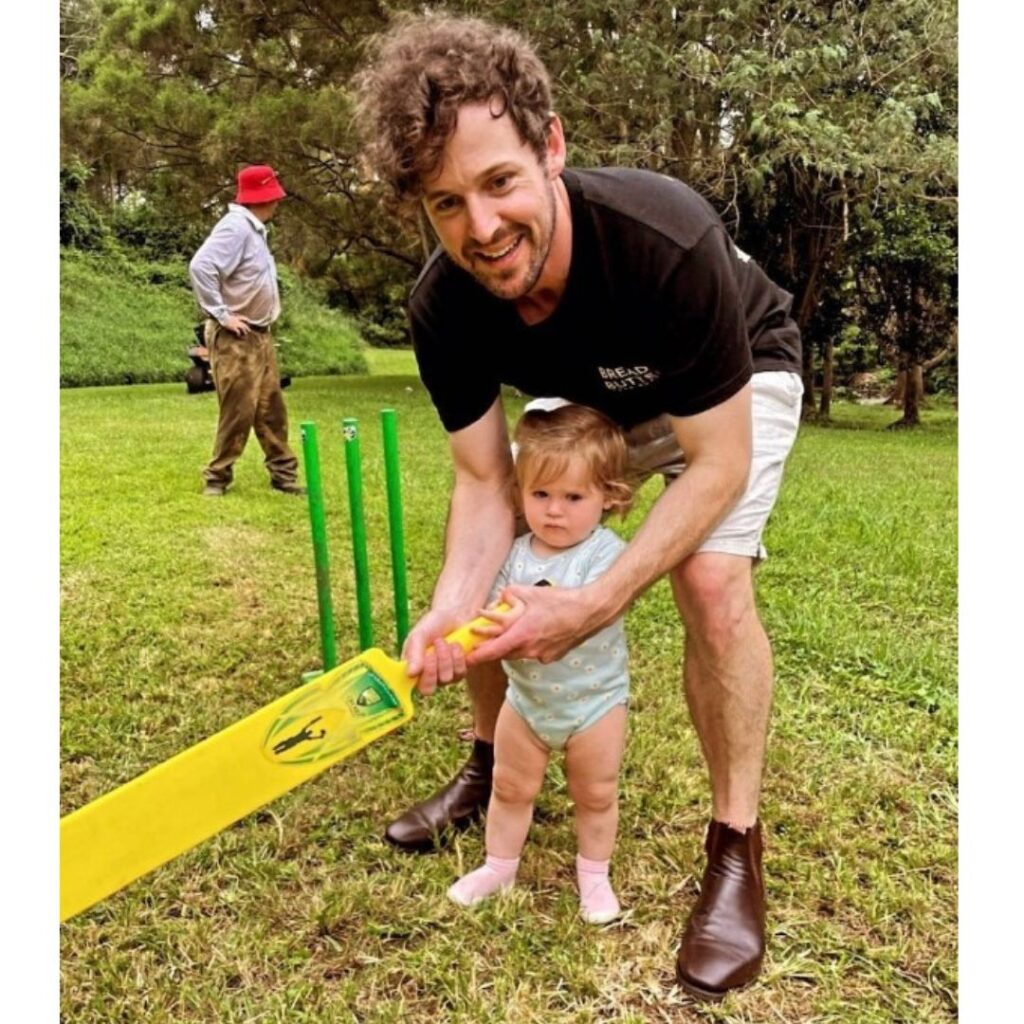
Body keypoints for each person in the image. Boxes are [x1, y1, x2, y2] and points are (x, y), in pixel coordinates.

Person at [353, 14, 803, 1000]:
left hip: (729, 380)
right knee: (511, 548)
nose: (479, 228)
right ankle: (485, 762)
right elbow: (482, 482)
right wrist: (446, 610)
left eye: (500, 182)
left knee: (711, 575)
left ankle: (735, 843)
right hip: (592, 405)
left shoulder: (661, 237)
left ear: (550, 147)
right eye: (445, 202)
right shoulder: (444, 305)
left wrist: (596, 601)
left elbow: (715, 465)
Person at [448, 404, 633, 924]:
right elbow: (489, 615)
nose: (555, 511)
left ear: (608, 497)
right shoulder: (513, 553)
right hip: (525, 703)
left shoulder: (606, 557)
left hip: (594, 706)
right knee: (509, 787)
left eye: (574, 497)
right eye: (540, 495)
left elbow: (594, 612)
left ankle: (594, 878)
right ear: (519, 495)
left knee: (595, 795)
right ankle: (497, 866)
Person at [188, 164, 305, 497]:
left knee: (271, 407)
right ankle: (217, 477)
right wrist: (223, 315)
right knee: (238, 410)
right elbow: (201, 266)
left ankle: (283, 475)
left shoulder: (253, 229)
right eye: (275, 197)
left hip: (258, 334)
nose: (278, 203)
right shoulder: (236, 227)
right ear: (264, 198)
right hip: (237, 338)